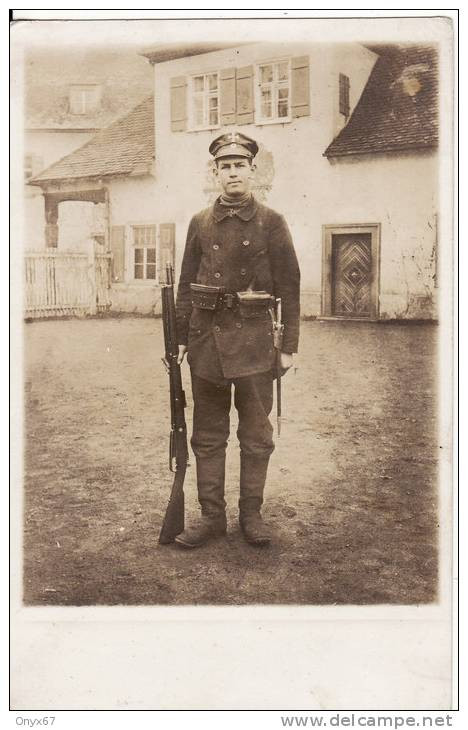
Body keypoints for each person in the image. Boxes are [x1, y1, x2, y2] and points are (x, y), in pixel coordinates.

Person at [174, 131, 300, 548]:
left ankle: (252, 514)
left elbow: (291, 287)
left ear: (252, 170)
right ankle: (212, 517)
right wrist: (179, 339)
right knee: (207, 435)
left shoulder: (272, 221)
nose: (232, 173)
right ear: (215, 173)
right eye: (224, 166)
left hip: (254, 345)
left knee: (255, 435)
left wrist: (289, 346)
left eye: (239, 166)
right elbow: (186, 285)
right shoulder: (199, 222)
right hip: (207, 343)